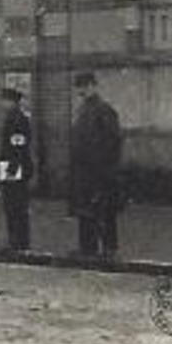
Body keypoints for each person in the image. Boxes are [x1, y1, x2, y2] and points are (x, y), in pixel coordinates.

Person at [68, 71, 124, 259]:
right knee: (85, 210)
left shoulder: (104, 110)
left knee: (104, 210)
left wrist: (105, 169)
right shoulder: (82, 110)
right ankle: (87, 248)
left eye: (84, 86)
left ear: (93, 86)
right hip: (83, 171)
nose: (81, 90)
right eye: (79, 87)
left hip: (99, 171)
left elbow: (112, 142)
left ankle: (109, 249)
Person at [0, 87, 35, 251]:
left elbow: (17, 147)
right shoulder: (14, 118)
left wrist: (10, 172)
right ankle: (16, 241)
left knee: (16, 207)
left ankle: (19, 242)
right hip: (13, 168)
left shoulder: (17, 120)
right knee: (12, 207)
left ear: (11, 102)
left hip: (16, 169)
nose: (2, 103)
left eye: (4, 100)